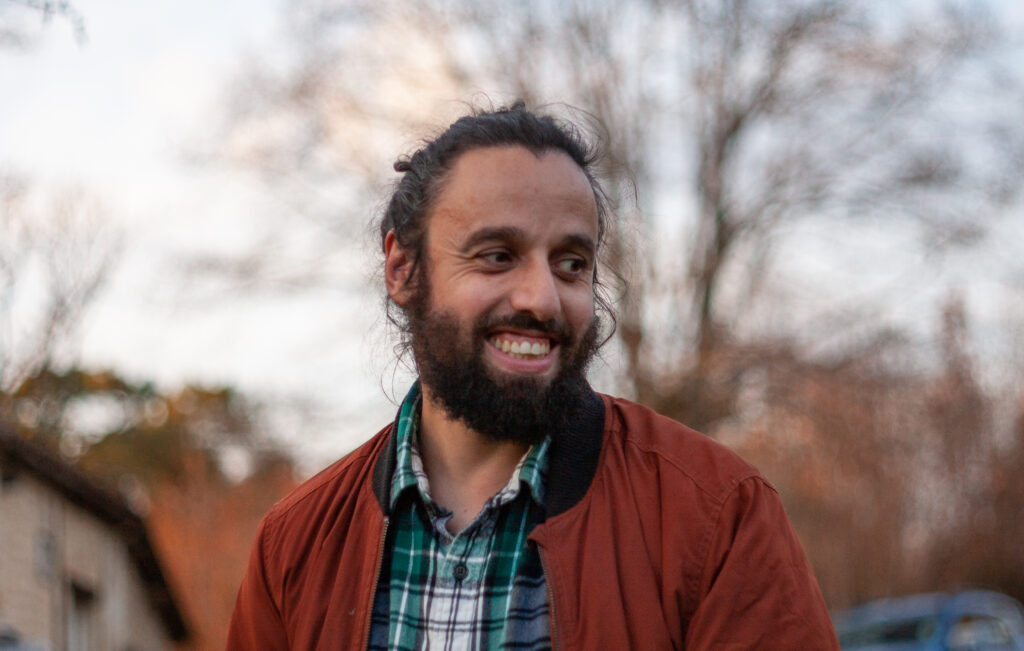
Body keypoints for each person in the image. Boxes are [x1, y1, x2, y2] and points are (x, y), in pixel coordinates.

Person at [227, 102, 840, 650]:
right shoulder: (295, 544)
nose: (542, 299)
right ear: (402, 267)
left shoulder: (717, 516)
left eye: (571, 264)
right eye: (498, 255)